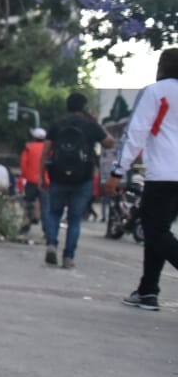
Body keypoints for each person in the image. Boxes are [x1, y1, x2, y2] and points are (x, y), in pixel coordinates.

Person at [104, 48, 178, 311]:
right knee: (159, 232)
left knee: (155, 231)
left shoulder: (156, 92)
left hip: (164, 175)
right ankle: (148, 291)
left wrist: (116, 172)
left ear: (161, 67)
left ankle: (148, 290)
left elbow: (135, 134)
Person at [40, 92, 115, 269]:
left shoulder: (57, 125)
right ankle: (68, 257)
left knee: (54, 214)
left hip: (57, 177)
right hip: (83, 179)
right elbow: (110, 143)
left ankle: (51, 244)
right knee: (74, 219)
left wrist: (41, 175)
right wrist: (95, 122)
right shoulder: (90, 126)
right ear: (85, 108)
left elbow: (45, 153)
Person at [19, 127, 47, 236]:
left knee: (28, 205)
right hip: (45, 182)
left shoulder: (28, 148)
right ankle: (47, 231)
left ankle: (25, 227)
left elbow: (23, 164)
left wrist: (26, 175)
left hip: (31, 181)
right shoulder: (49, 149)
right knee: (46, 207)